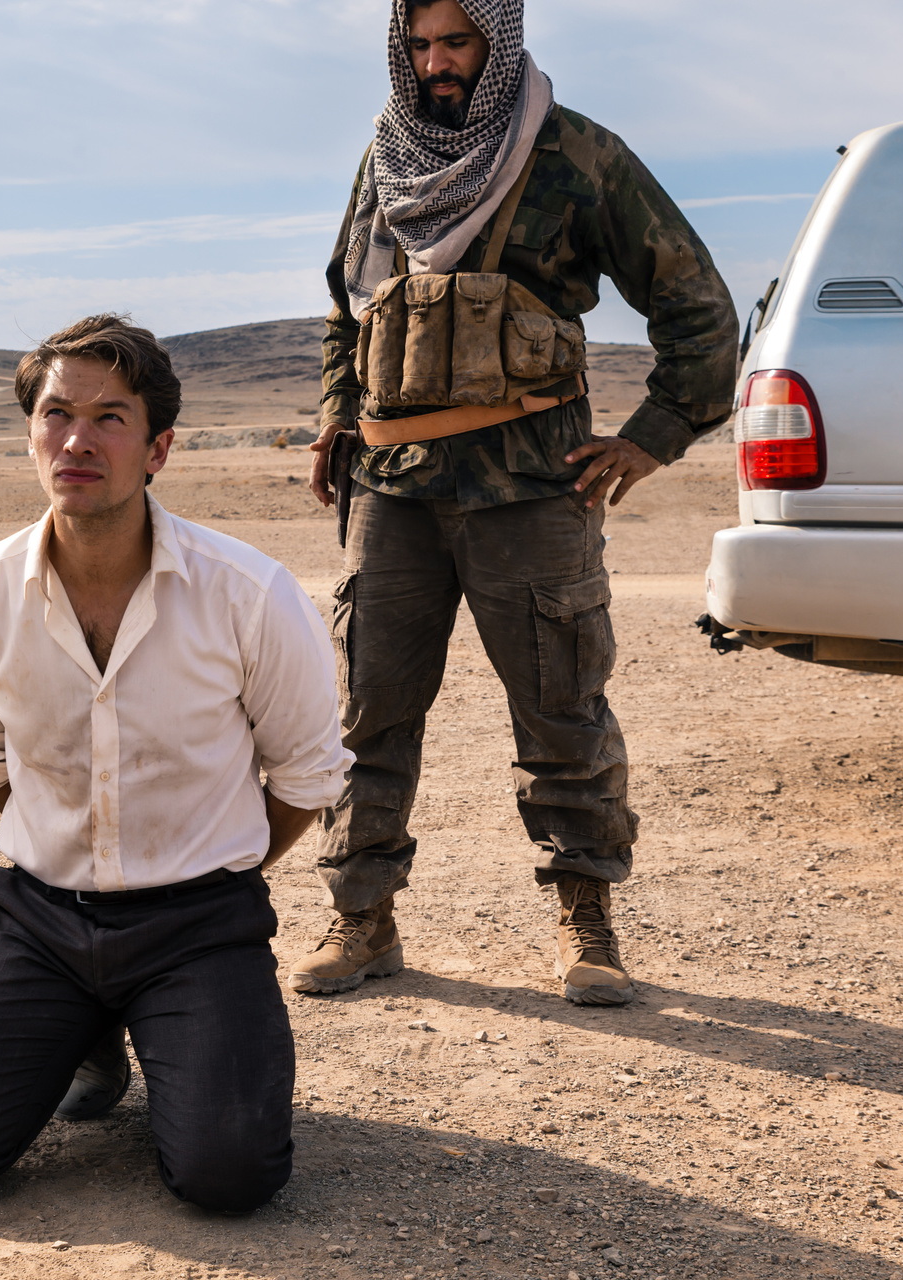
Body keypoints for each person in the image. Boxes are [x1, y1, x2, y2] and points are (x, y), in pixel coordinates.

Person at [292, 0, 738, 1003]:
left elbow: (698, 306)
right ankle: (361, 919)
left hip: (533, 486)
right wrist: (336, 415)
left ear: (497, 45)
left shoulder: (576, 154)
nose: (436, 63)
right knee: (366, 712)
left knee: (561, 709)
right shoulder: (388, 158)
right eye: (419, 45)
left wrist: (653, 434)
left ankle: (588, 921)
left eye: (457, 43)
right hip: (393, 488)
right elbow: (346, 310)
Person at [0, 315, 351, 1213]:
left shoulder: (247, 593)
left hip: (200, 922)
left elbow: (305, 779)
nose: (77, 440)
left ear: (158, 449)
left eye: (110, 418)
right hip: (43, 921)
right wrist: (79, 861)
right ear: (32, 435)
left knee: (230, 1176)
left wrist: (206, 868)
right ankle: (87, 1022)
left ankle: (168, 1025)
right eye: (57, 414)